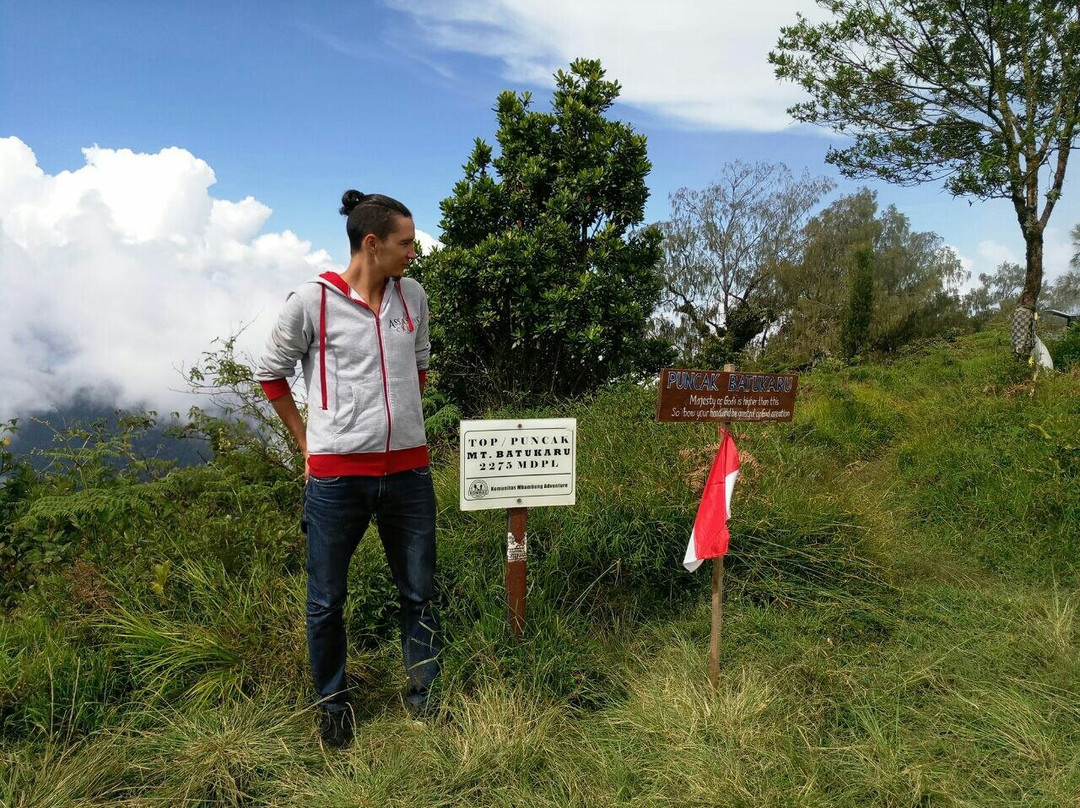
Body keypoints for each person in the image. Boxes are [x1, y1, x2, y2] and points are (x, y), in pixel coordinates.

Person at [255, 190, 441, 748]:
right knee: (326, 602)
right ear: (372, 243)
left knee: (419, 592)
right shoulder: (311, 302)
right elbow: (270, 374)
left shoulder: (414, 297)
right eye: (405, 243)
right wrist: (310, 444)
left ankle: (425, 703)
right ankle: (333, 712)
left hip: (409, 473)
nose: (414, 252)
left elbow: (421, 367)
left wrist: (400, 424)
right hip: (336, 480)